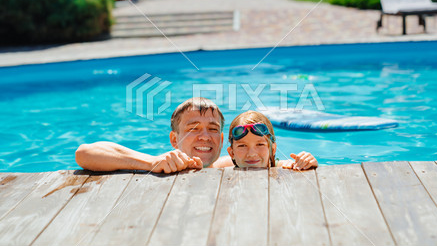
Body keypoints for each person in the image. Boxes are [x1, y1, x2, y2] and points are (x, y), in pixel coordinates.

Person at [76, 97, 229, 173]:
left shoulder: (235, 163)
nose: (205, 136)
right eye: (193, 129)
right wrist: (152, 163)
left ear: (221, 140)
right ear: (174, 140)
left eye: (213, 129)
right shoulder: (158, 165)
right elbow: (85, 153)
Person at [227, 111, 318, 170]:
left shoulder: (285, 167)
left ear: (273, 149)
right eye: (242, 146)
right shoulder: (223, 172)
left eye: (260, 144)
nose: (252, 154)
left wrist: (308, 164)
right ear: (231, 153)